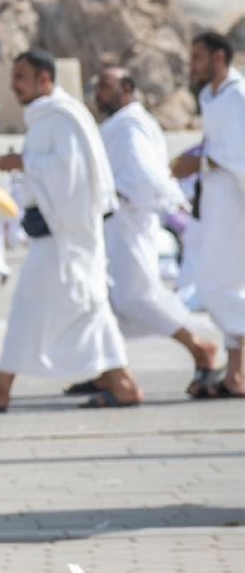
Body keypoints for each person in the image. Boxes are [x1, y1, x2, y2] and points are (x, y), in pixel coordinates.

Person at [0, 51, 141, 412]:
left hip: (64, 233)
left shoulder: (60, 117)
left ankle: (1, 388)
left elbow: (68, 174)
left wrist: (21, 163)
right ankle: (119, 381)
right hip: (58, 234)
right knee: (75, 308)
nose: (14, 85)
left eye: (20, 77)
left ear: (44, 79)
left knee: (48, 306)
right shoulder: (48, 117)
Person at [93, 67, 222, 392]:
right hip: (118, 225)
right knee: (105, 300)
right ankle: (107, 371)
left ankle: (199, 347)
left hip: (129, 224)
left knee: (137, 297)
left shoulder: (129, 126)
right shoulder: (119, 125)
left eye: (105, 86)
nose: (98, 93)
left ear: (127, 88)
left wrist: (116, 194)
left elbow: (146, 179)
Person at [170, 32, 245, 398]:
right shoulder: (209, 96)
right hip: (215, 204)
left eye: (197, 57)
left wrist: (197, 162)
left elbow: (240, 153)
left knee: (216, 287)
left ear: (218, 57)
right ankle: (236, 374)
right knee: (223, 284)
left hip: (236, 204)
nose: (192, 65)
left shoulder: (238, 96)